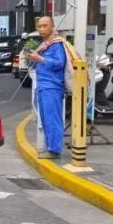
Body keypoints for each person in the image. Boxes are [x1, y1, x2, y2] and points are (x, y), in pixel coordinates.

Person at [26, 17, 68, 159]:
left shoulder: (57, 44)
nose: (42, 29)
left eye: (45, 26)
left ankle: (55, 150)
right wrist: (37, 52)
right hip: (43, 86)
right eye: (39, 26)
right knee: (45, 119)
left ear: (52, 27)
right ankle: (50, 147)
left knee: (52, 119)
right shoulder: (44, 45)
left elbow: (59, 63)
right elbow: (32, 60)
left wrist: (41, 59)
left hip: (52, 86)